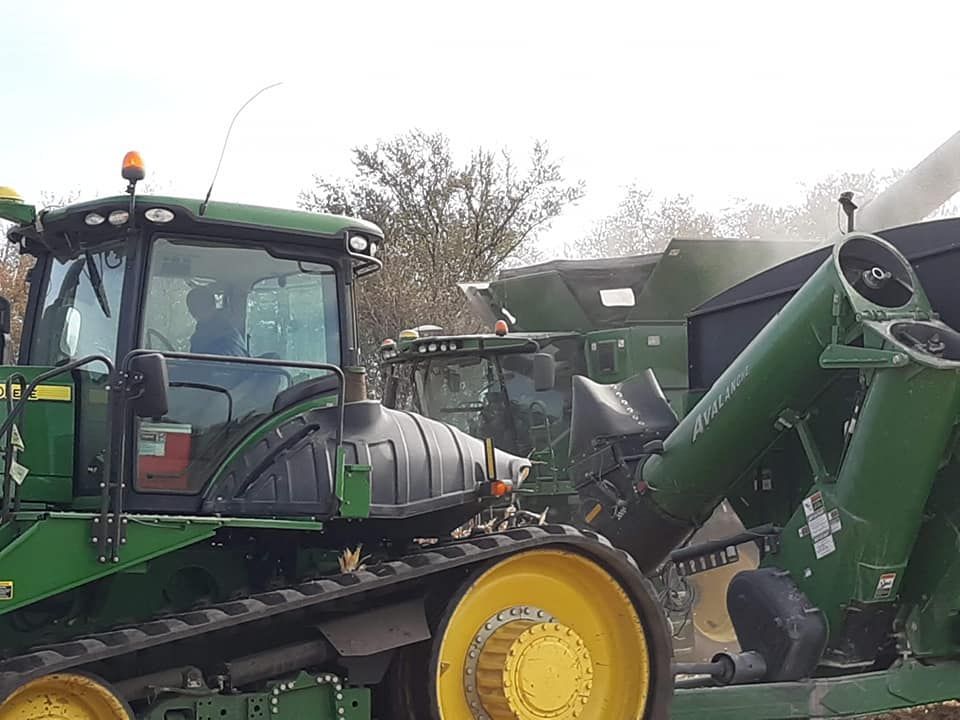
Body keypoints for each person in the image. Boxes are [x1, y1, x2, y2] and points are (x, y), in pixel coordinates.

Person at [185, 286, 248, 357]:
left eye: (200, 306)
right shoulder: (231, 330)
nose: (194, 312)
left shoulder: (206, 338)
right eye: (192, 307)